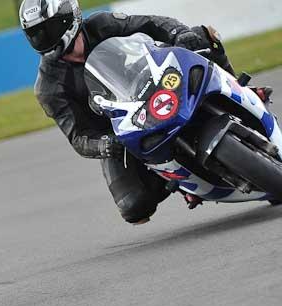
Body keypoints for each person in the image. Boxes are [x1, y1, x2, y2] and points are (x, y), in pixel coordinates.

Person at [18, 0, 273, 223]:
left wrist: (179, 34)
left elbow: (154, 24)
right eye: (36, 34)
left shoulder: (103, 24)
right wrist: (104, 146)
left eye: (47, 29)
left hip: (157, 79)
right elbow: (78, 136)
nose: (43, 39)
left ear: (68, 17)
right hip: (121, 127)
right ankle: (175, 178)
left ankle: (238, 89)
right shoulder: (49, 87)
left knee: (202, 35)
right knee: (134, 207)